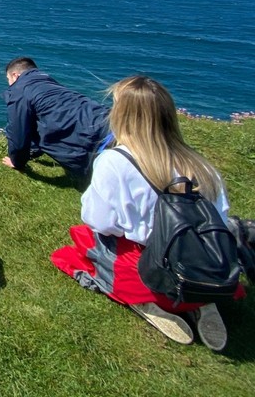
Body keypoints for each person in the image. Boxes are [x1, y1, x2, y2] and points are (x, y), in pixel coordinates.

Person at [51, 75, 244, 350]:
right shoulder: (202, 166)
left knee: (80, 242)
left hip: (151, 272)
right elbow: (221, 221)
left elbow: (99, 222)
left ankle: (150, 304)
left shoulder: (116, 162)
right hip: (208, 271)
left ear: (124, 115)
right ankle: (203, 305)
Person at [0, 57, 110, 179]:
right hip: (108, 118)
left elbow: (18, 132)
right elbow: (45, 121)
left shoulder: (20, 89)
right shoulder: (48, 82)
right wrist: (33, 151)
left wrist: (17, 161)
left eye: (8, 79)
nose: (9, 83)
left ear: (15, 75)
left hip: (95, 136)